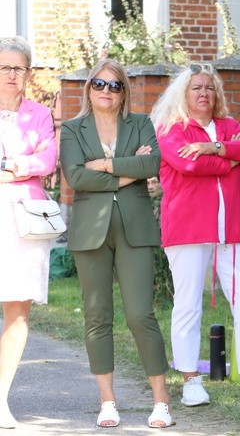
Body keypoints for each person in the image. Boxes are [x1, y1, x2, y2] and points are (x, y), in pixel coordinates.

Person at [150, 63, 240, 406]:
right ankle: (190, 381)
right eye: (196, 88)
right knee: (188, 304)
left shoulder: (228, 126)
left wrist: (215, 148)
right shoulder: (171, 128)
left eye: (209, 88)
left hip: (232, 231)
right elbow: (187, 165)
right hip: (187, 229)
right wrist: (230, 162)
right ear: (184, 93)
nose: (204, 94)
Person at [60, 59, 174, 428]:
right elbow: (76, 175)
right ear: (88, 88)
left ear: (124, 90)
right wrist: (127, 171)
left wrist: (105, 167)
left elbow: (153, 164)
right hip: (90, 231)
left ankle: (161, 402)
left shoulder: (140, 123)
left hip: (135, 228)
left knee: (141, 314)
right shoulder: (73, 129)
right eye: (99, 84)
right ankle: (107, 402)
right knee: (97, 316)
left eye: (114, 85)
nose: (106, 91)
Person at [0, 36, 57, 428]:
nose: (11, 74)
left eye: (18, 68)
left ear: (29, 74)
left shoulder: (39, 114)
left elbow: (49, 157)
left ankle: (0, 397)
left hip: (25, 217)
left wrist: (12, 165)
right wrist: (27, 162)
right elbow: (36, 159)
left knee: (18, 309)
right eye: (4, 67)